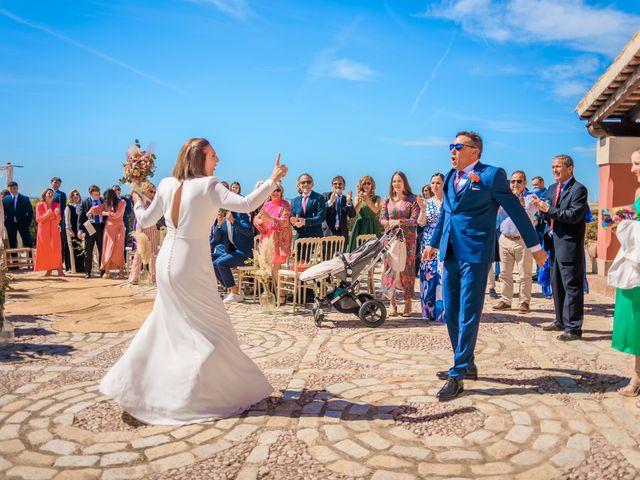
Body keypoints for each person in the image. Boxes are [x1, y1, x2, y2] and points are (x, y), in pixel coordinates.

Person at [100, 137, 287, 425]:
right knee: (213, 327)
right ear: (199, 158)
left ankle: (141, 385)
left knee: (168, 324)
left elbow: (147, 221)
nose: (218, 160)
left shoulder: (165, 184)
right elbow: (247, 203)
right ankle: (207, 393)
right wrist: (272, 180)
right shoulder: (210, 186)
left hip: (166, 261)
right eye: (213, 155)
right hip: (191, 262)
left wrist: (137, 202)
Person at [424, 131, 546, 400]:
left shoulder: (491, 175)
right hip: (450, 253)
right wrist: (433, 243)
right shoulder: (449, 177)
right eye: (451, 146)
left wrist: (535, 248)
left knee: (469, 312)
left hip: (476, 255)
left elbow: (516, 210)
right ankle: (466, 362)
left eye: (457, 146)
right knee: (452, 312)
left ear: (475, 151)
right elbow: (446, 212)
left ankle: (457, 374)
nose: (452, 151)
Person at [532, 155, 588, 342]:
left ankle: (573, 328)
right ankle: (560, 321)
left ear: (570, 168)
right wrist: (539, 209)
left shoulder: (578, 189)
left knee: (571, 286)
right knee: (556, 283)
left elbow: (573, 215)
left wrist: (547, 209)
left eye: (559, 166)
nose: (555, 170)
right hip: (552, 243)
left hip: (569, 245)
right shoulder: (552, 188)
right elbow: (549, 215)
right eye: (553, 166)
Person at [608, 149, 640, 408]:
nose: (632, 169)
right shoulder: (639, 193)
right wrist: (611, 217)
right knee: (635, 326)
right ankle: (637, 376)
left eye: (636, 164)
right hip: (634, 269)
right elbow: (634, 214)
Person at [493, 170, 538, 314]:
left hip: (523, 241)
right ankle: (506, 300)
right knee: (505, 273)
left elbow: (531, 213)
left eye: (519, 181)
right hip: (505, 239)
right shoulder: (505, 198)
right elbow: (496, 211)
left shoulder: (531, 198)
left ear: (525, 183)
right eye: (512, 181)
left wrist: (519, 202)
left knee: (524, 273)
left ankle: (524, 301)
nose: (515, 184)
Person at [380, 171, 420, 317]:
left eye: (399, 181)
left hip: (407, 240)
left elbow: (414, 220)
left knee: (407, 270)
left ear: (404, 183)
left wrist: (399, 222)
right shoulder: (387, 200)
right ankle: (392, 302)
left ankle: (408, 301)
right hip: (390, 240)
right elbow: (382, 218)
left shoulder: (412, 200)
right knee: (390, 269)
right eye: (394, 181)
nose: (396, 184)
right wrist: (387, 222)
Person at [212, 206, 255, 304]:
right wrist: (219, 224)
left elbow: (248, 231)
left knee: (221, 263)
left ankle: (235, 293)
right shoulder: (222, 217)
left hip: (245, 253)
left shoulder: (241, 214)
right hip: (231, 252)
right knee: (212, 261)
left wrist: (233, 221)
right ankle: (233, 288)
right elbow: (216, 238)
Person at [253, 181, 292, 288]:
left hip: (279, 241)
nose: (275, 192)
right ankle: (276, 293)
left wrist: (269, 219)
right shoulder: (266, 204)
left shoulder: (285, 204)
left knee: (277, 269)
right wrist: (260, 222)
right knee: (269, 268)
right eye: (273, 190)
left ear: (281, 192)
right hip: (267, 239)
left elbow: (285, 221)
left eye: (278, 190)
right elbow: (256, 219)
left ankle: (281, 295)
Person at [419, 173, 445, 321]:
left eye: (438, 183)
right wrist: (422, 209)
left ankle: (443, 312)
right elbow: (421, 223)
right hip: (428, 241)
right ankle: (429, 311)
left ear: (443, 184)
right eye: (433, 183)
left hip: (445, 240)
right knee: (429, 276)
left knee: (442, 276)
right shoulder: (426, 202)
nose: (435, 186)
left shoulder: (449, 202)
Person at [128, 182, 161, 284]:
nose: (153, 194)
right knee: (140, 252)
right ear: (145, 189)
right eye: (151, 191)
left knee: (153, 251)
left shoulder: (152, 201)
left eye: (154, 192)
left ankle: (153, 276)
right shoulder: (140, 200)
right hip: (142, 227)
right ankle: (135, 277)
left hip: (152, 227)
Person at [93, 188, 126, 279]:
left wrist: (106, 213)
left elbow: (117, 214)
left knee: (118, 248)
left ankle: (121, 271)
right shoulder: (107, 203)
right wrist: (91, 211)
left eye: (107, 197)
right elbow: (98, 209)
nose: (106, 199)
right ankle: (106, 271)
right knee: (108, 247)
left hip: (119, 228)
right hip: (109, 228)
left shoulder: (122, 202)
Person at [34, 188, 64, 277]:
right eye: (48, 193)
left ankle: (59, 269)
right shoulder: (39, 205)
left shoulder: (56, 205)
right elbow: (38, 219)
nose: (50, 194)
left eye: (51, 193)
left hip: (54, 229)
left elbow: (59, 219)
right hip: (43, 230)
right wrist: (46, 215)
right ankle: (49, 270)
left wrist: (56, 214)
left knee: (57, 249)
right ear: (44, 195)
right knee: (46, 250)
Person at [347, 175, 382, 252]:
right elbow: (355, 212)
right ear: (361, 185)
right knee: (358, 251)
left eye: (368, 183)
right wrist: (361, 200)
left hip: (372, 226)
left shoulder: (377, 198)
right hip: (360, 225)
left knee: (374, 252)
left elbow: (376, 210)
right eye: (364, 183)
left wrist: (367, 200)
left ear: (372, 185)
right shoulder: (357, 197)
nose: (366, 185)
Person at [77, 185, 105, 278]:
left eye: (98, 194)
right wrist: (80, 230)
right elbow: (81, 217)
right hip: (90, 226)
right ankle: (87, 272)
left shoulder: (103, 201)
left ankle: (102, 271)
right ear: (91, 194)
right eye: (95, 194)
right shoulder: (85, 202)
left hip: (101, 226)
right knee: (88, 250)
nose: (98, 195)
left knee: (102, 250)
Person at [290, 173, 326, 240]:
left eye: (308, 182)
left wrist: (305, 222)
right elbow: (293, 218)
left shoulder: (319, 198)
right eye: (303, 182)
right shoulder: (295, 201)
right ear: (299, 185)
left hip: (315, 238)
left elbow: (321, 217)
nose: (306, 184)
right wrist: (294, 223)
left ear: (312, 184)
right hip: (300, 238)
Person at [323, 175, 355, 249]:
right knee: (328, 259)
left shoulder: (346, 199)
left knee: (340, 259)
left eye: (340, 184)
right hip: (328, 232)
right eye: (335, 184)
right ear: (332, 185)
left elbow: (352, 215)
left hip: (342, 233)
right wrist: (330, 201)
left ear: (344, 186)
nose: (337, 185)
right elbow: (321, 211)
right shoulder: (326, 196)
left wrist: (349, 202)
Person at [3, 181, 34, 249]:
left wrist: (27, 223)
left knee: (27, 241)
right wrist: (6, 223)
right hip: (10, 224)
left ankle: (31, 259)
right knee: (12, 243)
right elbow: (3, 212)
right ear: (9, 189)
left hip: (23, 223)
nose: (13, 190)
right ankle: (15, 260)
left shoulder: (25, 199)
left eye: (14, 188)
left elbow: (30, 212)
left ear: (17, 188)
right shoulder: (5, 200)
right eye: (11, 189)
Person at [51, 177, 70, 271]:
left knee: (60, 243)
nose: (56, 184)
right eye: (55, 182)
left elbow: (62, 209)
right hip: (48, 221)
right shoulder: (48, 193)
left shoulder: (61, 194)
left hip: (58, 221)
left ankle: (59, 263)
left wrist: (59, 221)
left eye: (58, 183)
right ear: (51, 183)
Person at [64, 189, 84, 274]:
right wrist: (69, 230)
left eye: (77, 194)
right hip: (71, 230)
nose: (76, 196)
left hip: (79, 230)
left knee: (80, 248)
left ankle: (80, 267)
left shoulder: (82, 206)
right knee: (70, 249)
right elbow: (67, 220)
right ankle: (70, 267)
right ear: (71, 197)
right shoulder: (68, 207)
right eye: (73, 195)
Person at [113, 185, 132, 249]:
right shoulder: (109, 200)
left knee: (122, 244)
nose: (117, 191)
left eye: (118, 189)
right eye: (115, 190)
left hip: (124, 223)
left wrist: (119, 213)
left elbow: (129, 211)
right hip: (112, 225)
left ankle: (123, 258)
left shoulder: (126, 200)